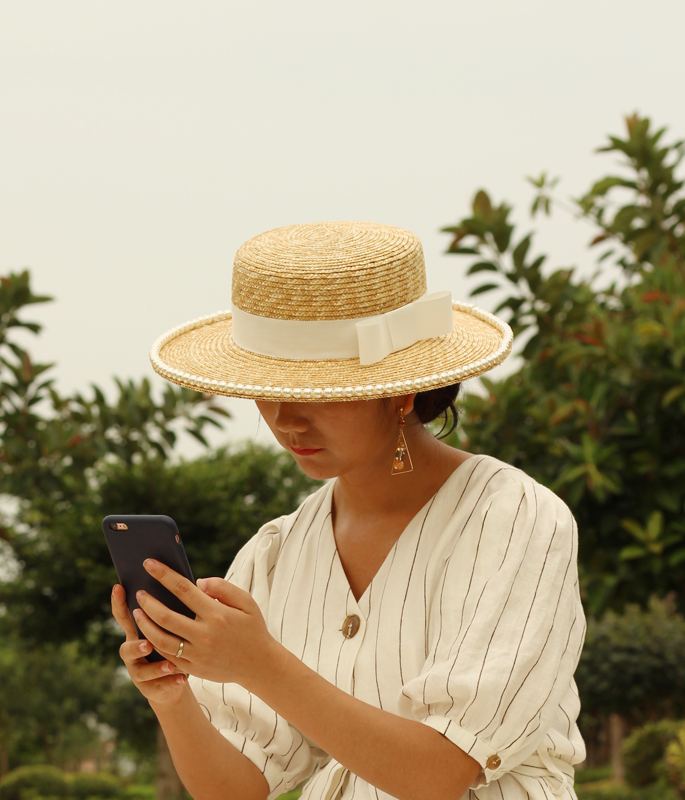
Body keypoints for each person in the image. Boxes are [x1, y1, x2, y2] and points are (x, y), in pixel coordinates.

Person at [110, 221, 586, 800]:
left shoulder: (512, 519)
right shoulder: (277, 553)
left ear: (403, 389)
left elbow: (440, 774)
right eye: (266, 387)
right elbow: (234, 789)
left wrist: (257, 663)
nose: (286, 419)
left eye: (317, 391)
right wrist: (172, 693)